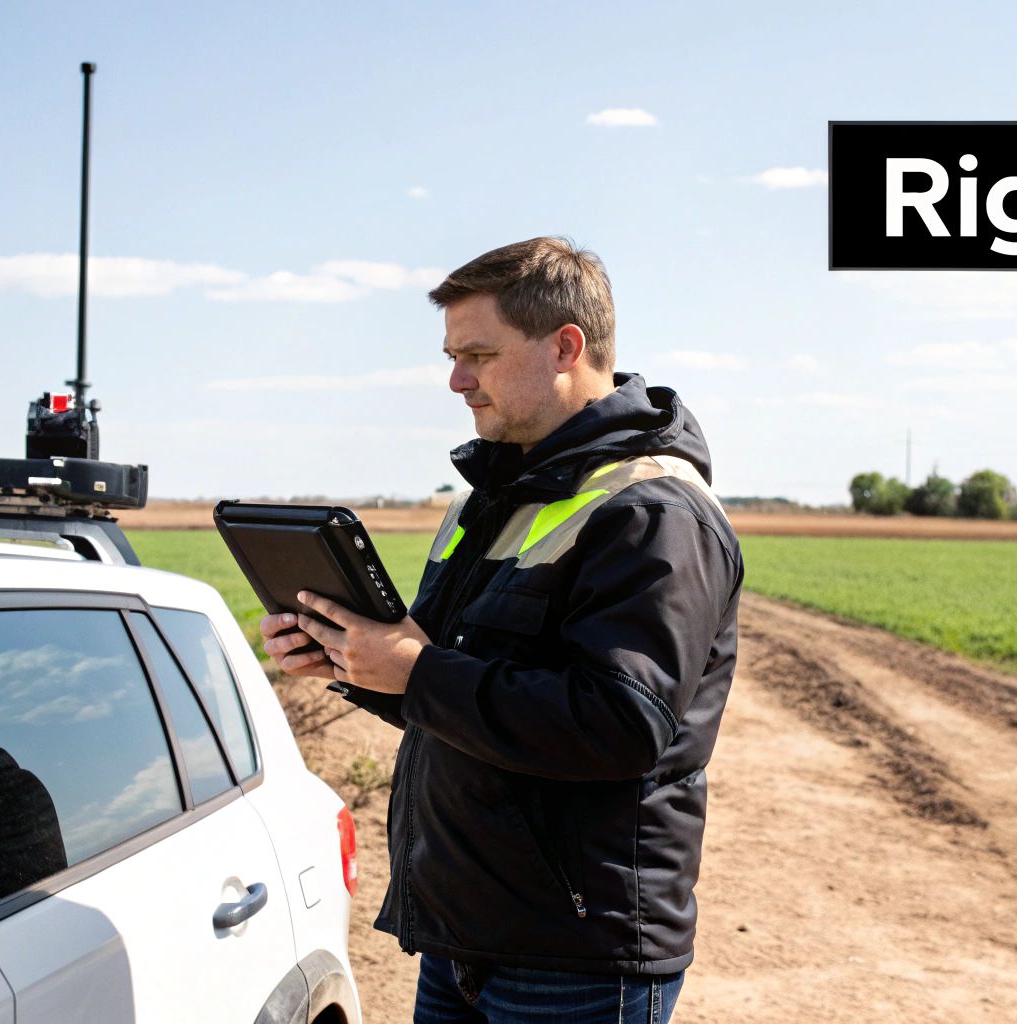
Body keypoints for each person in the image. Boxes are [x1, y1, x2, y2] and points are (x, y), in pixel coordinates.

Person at [261, 236, 741, 1023]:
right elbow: (448, 682)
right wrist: (353, 660)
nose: (456, 380)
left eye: (478, 354)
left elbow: (620, 726)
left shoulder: (651, 511)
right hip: (464, 937)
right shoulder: (494, 494)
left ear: (566, 345)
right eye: (452, 356)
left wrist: (414, 673)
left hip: (575, 960)